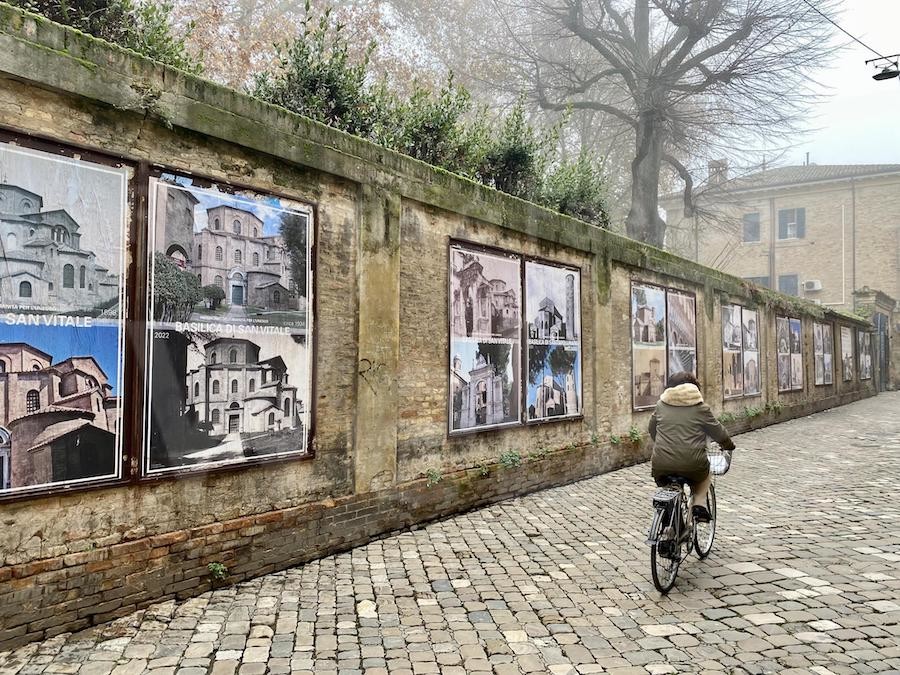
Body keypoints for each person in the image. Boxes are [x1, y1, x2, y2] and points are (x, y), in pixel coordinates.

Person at [648, 372, 735, 522]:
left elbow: (652, 429)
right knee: (704, 475)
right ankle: (699, 504)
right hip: (693, 464)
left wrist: (662, 444)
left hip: (661, 464)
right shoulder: (700, 408)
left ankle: (669, 519)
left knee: (666, 482)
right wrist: (728, 446)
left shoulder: (660, 405)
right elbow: (719, 433)